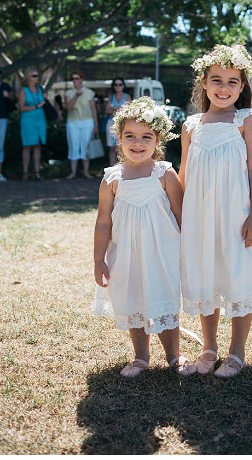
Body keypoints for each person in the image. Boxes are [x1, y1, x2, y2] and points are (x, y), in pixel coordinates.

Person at [179, 44, 252, 379]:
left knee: (237, 273)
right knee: (206, 274)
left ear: (242, 87)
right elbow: (183, 175)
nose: (224, 88)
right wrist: (176, 215)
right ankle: (209, 347)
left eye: (232, 82)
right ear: (203, 83)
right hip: (200, 214)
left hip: (237, 212)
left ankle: (237, 351)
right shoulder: (191, 125)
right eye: (216, 80)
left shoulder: (245, 120)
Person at [93, 97, 193, 378]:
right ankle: (141, 357)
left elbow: (180, 212)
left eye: (146, 137)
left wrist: (190, 249)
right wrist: (98, 258)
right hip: (125, 253)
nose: (137, 143)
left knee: (164, 299)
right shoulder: (112, 179)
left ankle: (174, 356)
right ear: (119, 138)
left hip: (161, 251)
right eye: (130, 136)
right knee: (132, 300)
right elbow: (103, 221)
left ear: (158, 140)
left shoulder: (163, 172)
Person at [64, 71, 99, 180]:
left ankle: (86, 172)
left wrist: (96, 124)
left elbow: (93, 110)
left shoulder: (89, 93)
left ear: (82, 79)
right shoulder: (68, 93)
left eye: (77, 78)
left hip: (87, 122)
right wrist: (76, 96)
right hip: (73, 122)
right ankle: (73, 172)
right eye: (73, 79)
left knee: (85, 146)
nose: (75, 81)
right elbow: (68, 108)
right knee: (73, 146)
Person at [18, 69, 48, 181]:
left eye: (37, 75)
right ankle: (25, 172)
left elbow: (44, 103)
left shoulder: (40, 89)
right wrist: (35, 106)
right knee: (27, 146)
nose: (37, 77)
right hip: (28, 120)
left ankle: (37, 172)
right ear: (28, 78)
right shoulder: (23, 90)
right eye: (34, 75)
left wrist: (45, 99)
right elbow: (21, 108)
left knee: (37, 146)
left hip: (40, 119)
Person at [103, 77, 131, 165]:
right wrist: (120, 109)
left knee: (122, 146)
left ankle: (122, 167)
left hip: (123, 124)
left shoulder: (127, 96)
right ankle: (112, 167)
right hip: (111, 123)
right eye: (116, 84)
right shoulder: (111, 97)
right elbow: (107, 111)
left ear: (123, 86)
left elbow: (128, 111)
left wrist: (113, 109)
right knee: (112, 147)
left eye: (120, 84)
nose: (118, 86)